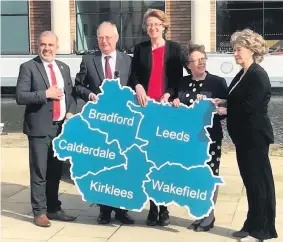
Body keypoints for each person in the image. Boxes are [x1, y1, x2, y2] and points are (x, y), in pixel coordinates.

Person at [213, 29, 278, 242]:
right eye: (234, 50)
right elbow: (237, 100)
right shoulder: (243, 74)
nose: (235, 53)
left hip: (255, 138)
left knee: (259, 184)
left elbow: (251, 107)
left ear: (251, 50)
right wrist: (222, 103)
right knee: (250, 183)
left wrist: (227, 110)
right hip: (243, 138)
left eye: (238, 49)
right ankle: (251, 224)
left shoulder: (258, 75)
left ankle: (262, 231)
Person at [129, 9, 185, 226]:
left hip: (165, 109)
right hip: (145, 110)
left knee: (164, 160)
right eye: (149, 24)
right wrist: (139, 86)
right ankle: (153, 208)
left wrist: (170, 93)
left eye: (156, 24)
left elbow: (177, 79)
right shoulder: (140, 48)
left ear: (164, 26)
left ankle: (164, 208)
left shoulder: (174, 49)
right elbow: (134, 74)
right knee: (149, 160)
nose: (153, 28)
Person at [75, 22, 134, 225]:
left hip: (123, 124)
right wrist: (89, 94)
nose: (104, 41)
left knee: (122, 166)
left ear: (116, 39)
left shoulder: (127, 61)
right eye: (100, 37)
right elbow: (78, 85)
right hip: (98, 125)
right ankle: (104, 210)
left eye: (108, 37)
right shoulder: (89, 60)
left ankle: (122, 210)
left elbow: (135, 86)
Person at [16, 31, 77, 227]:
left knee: (55, 172)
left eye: (51, 45)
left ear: (57, 47)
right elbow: (21, 96)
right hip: (39, 129)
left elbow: (71, 94)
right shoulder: (28, 67)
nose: (47, 48)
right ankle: (39, 211)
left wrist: (70, 111)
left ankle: (53, 207)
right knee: (39, 172)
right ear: (37, 45)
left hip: (60, 129)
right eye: (43, 44)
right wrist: (46, 93)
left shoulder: (64, 67)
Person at [172, 43, 228, 232]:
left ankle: (209, 216)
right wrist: (175, 102)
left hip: (210, 138)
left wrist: (219, 109)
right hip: (188, 139)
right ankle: (199, 213)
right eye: (196, 60)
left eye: (203, 59)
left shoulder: (217, 82)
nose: (201, 63)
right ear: (188, 64)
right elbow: (176, 107)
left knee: (209, 176)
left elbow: (226, 110)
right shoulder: (182, 82)